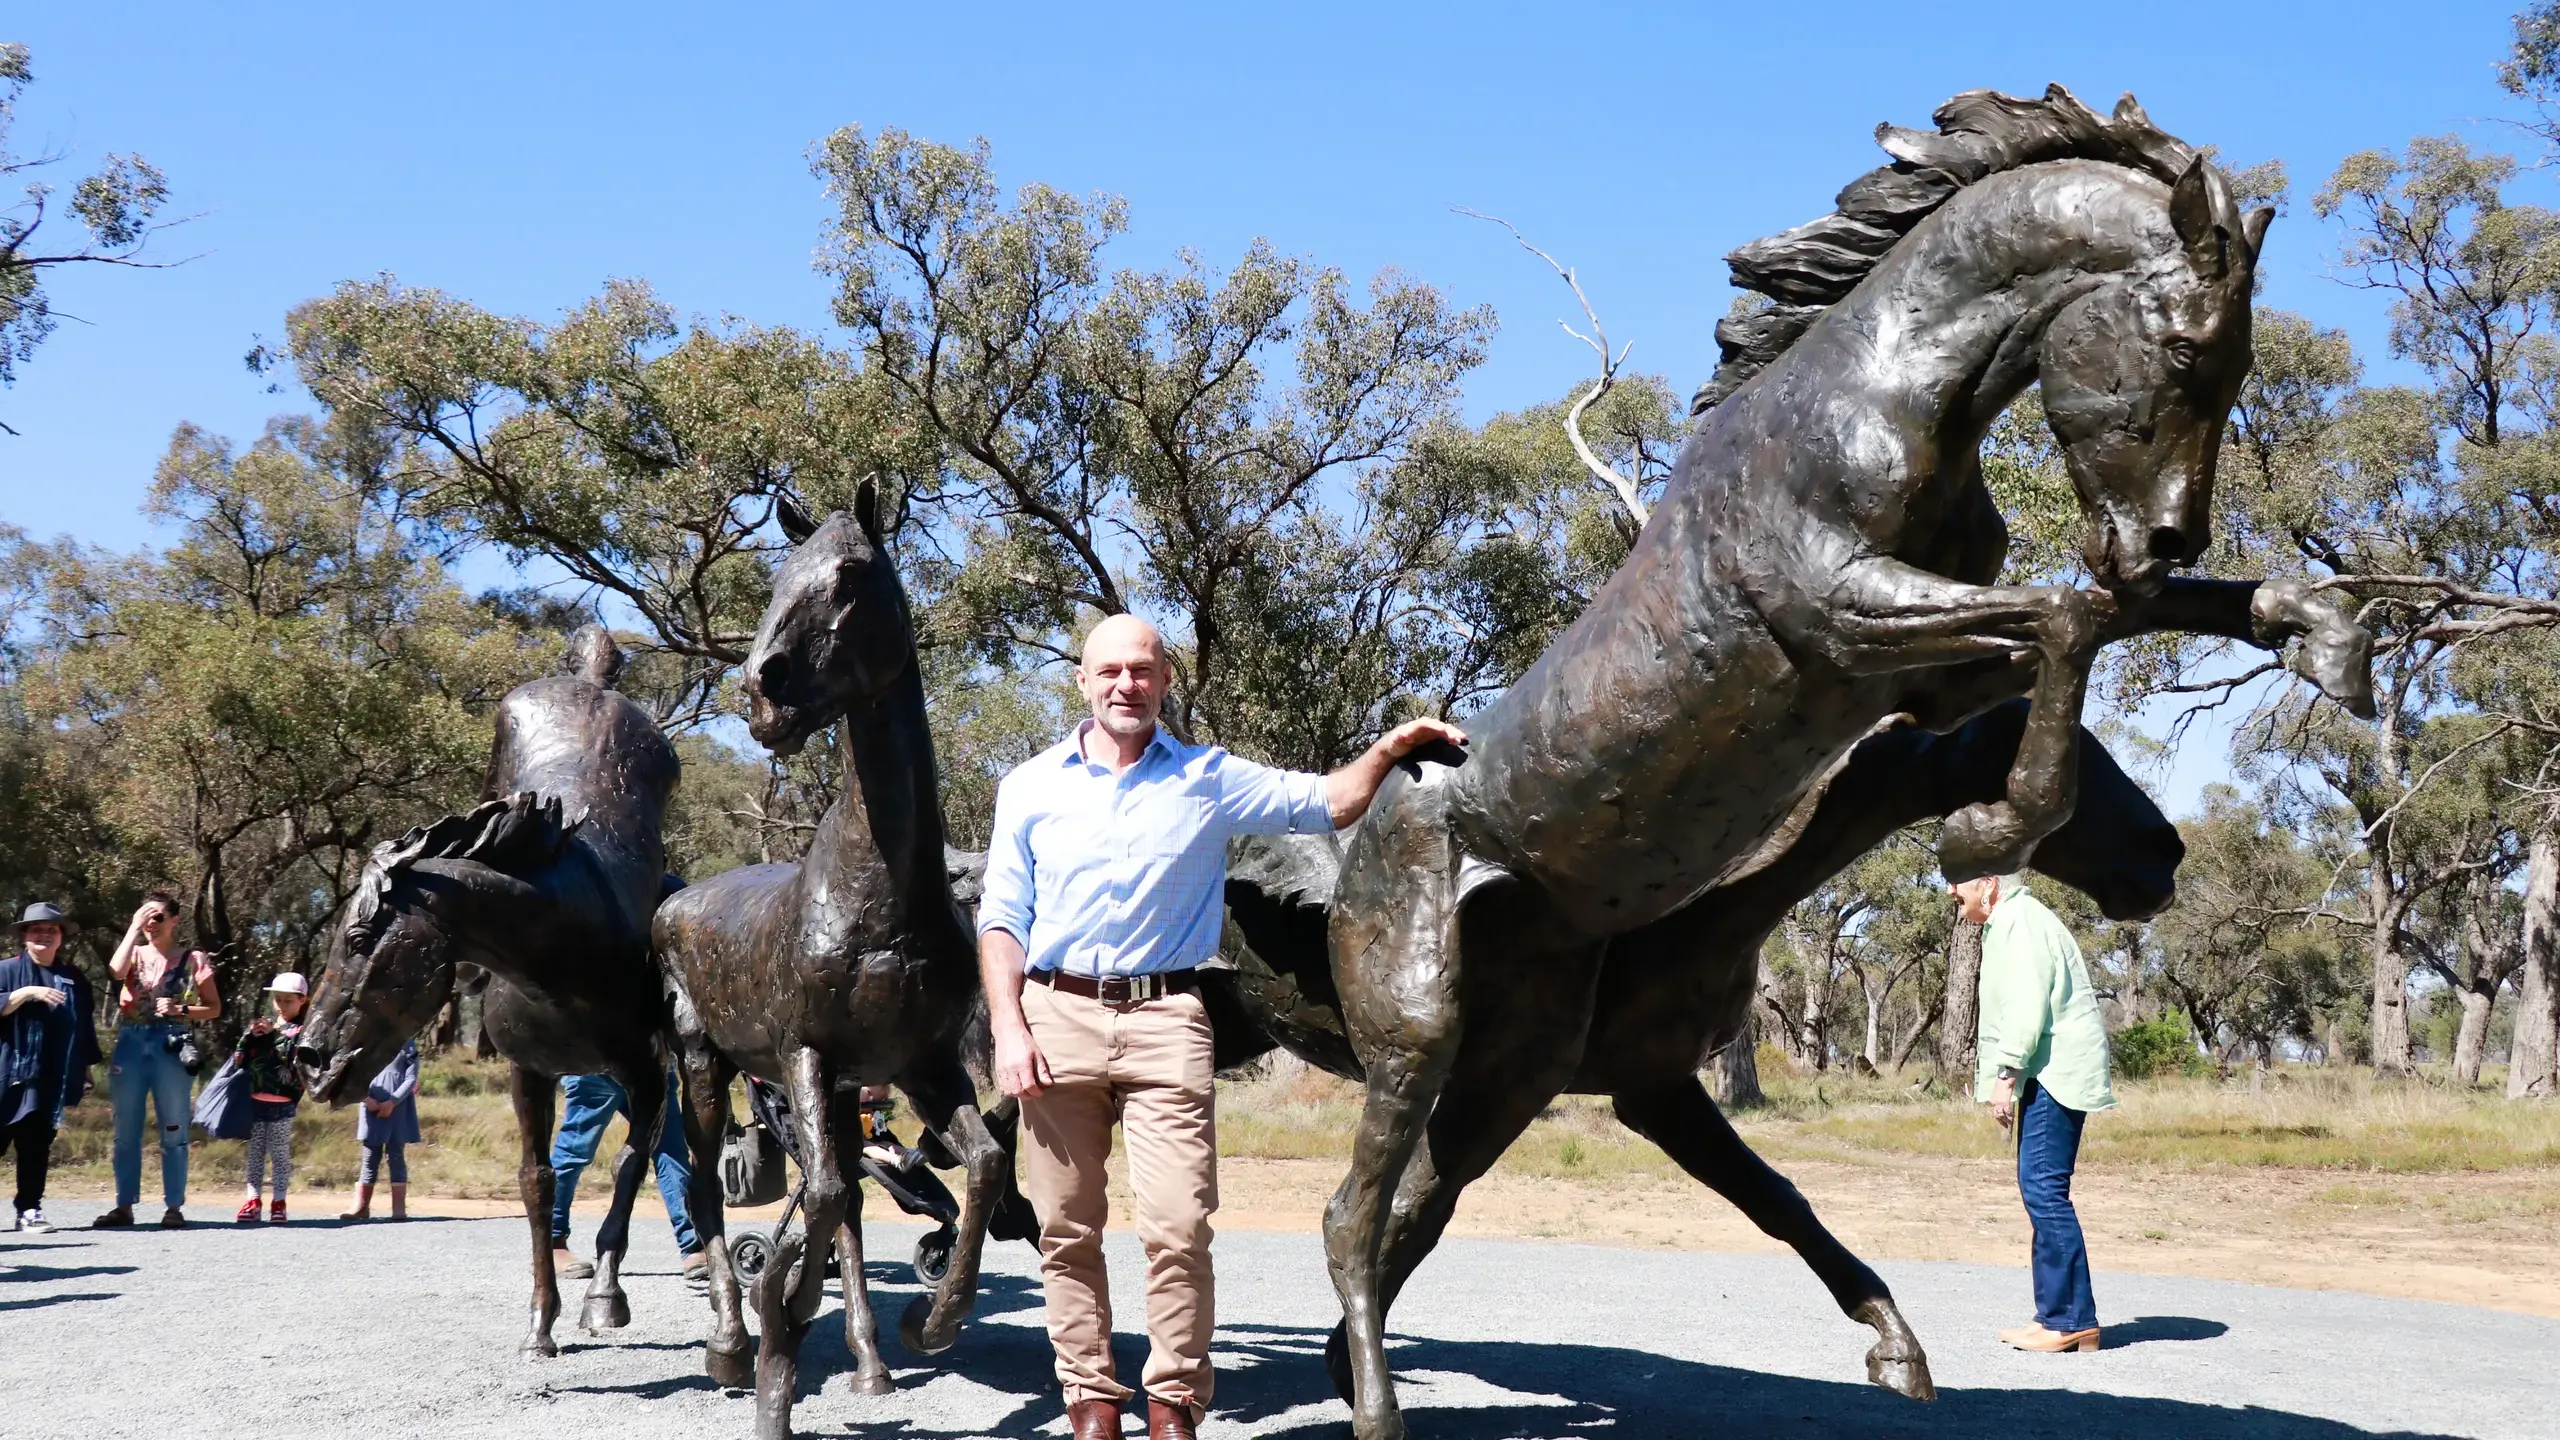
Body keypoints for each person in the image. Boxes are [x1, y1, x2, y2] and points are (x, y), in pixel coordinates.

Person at [978, 614, 1464, 1440]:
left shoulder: (1206, 776)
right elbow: (1002, 920)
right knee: (1066, 1229)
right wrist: (1008, 1027)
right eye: (1109, 672)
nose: (1125, 684)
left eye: (1142, 669)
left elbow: (1324, 804)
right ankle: (1092, 1399)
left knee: (1177, 1227)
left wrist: (1386, 751)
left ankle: (1173, 1404)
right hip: (1054, 1014)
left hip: (1170, 1017)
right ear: (1083, 682)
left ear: (1165, 681)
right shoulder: (1029, 785)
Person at [1955, 871, 2115, 1353]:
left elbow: (2027, 1007)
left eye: (1957, 882)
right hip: (2046, 1072)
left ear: (1988, 883)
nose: (1950, 892)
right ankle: (2055, 1316)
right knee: (2040, 1190)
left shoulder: (2019, 920)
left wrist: (2006, 1076)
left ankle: (2070, 1320)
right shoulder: (2012, 919)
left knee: (2044, 1190)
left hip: (2054, 1073)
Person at [98, 891, 221, 1229]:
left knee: (173, 1126)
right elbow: (115, 970)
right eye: (146, 917)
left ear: (175, 920)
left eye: (158, 917)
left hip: (171, 1044)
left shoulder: (193, 959)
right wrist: (132, 929)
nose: (152, 924)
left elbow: (214, 1007)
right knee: (126, 1128)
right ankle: (124, 1206)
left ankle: (174, 1207)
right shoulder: (134, 953)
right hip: (132, 1042)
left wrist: (181, 1009)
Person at [0, 902, 102, 1233]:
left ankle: (29, 1209)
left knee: (37, 1143)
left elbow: (83, 1025)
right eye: (36, 929)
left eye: (51, 930)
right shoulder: (5, 971)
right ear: (24, 936)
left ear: (60, 937)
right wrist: (27, 992)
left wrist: (85, 1068)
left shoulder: (73, 977)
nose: (44, 934)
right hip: (7, 1073)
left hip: (51, 1076)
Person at [547, 1069, 706, 1281]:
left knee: (671, 1153)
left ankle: (693, 1244)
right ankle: (551, 1243)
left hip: (651, 1068)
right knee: (574, 1152)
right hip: (597, 1065)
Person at [233, 973, 309, 1224]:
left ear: (302, 1001)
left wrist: (273, 1034)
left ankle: (279, 1201)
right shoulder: (264, 1027)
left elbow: (288, 1056)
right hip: (255, 1099)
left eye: (288, 1001)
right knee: (255, 1152)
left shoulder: (302, 1030)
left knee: (279, 1153)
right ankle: (252, 1199)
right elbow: (240, 1056)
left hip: (283, 1103)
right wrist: (249, 1036)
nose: (282, 1006)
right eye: (278, 1000)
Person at [343, 1038, 419, 1221]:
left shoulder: (407, 1044)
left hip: (398, 1108)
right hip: (371, 1106)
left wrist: (393, 1101)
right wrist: (365, 1098)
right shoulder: (366, 1039)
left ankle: (399, 1207)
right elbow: (353, 1074)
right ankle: (361, 1206)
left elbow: (411, 1077)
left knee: (396, 1156)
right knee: (370, 1156)